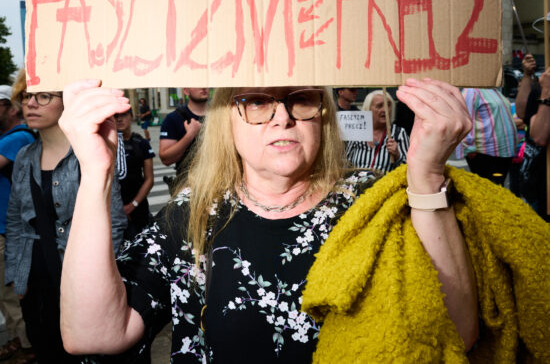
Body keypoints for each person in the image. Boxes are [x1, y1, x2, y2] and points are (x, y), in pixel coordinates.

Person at [58, 78, 480, 361]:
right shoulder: (191, 215)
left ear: (323, 113)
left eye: (301, 98)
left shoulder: (372, 203)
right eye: (257, 102)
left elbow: (456, 331)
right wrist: (96, 174)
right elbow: (93, 334)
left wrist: (427, 177)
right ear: (226, 120)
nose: (283, 117)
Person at [4, 84, 128, 363]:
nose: (31, 103)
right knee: (46, 347)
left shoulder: (90, 155)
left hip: (81, 277)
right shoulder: (24, 156)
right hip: (35, 277)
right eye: (27, 96)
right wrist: (15, 278)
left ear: (67, 102)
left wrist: (106, 281)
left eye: (43, 96)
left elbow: (115, 222)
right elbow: (15, 220)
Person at [0, 80, 35, 363]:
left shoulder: (18, 137)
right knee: (5, 293)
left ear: (10, 108)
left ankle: (26, 345)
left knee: (12, 292)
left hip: (7, 229)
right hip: (6, 227)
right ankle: (16, 340)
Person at [454, 88, 517, 186]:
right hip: (485, 153)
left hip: (503, 151)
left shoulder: (493, 89)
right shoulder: (471, 91)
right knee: (488, 188)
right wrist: (469, 147)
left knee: (498, 187)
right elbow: (464, 120)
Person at [516, 60, 550, 221]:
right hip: (533, 180)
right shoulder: (543, 85)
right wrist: (527, 74)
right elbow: (522, 112)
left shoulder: (546, 89)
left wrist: (547, 92)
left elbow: (539, 137)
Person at [345, 90, 409, 173]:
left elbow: (408, 169)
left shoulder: (399, 134)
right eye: (379, 106)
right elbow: (346, 164)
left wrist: (397, 155)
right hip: (359, 181)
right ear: (368, 109)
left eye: (388, 105)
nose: (385, 110)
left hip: (386, 181)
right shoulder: (357, 132)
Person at [115, 108, 155, 240]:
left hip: (138, 206)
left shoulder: (141, 143)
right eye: (115, 116)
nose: (119, 119)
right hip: (114, 208)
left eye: (124, 115)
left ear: (131, 116)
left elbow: (149, 179)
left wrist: (132, 205)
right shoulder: (106, 144)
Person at [159, 88, 208, 191]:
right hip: (188, 185)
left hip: (218, 182)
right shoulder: (173, 118)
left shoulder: (220, 115)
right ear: (186, 91)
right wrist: (190, 135)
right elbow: (166, 159)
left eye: (206, 83)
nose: (203, 87)